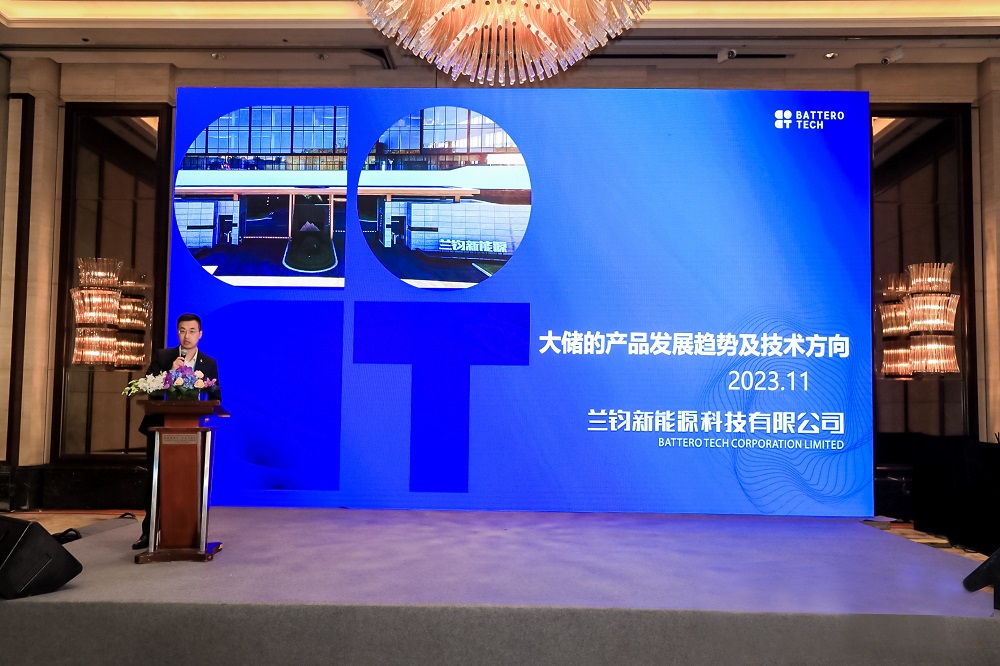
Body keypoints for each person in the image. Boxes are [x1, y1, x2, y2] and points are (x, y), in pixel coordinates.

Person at [133, 313, 222, 550]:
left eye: (192, 331)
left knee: (189, 482)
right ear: (177, 333)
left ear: (200, 334)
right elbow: (148, 386)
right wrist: (169, 374)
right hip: (160, 427)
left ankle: (192, 533)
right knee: (155, 480)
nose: (187, 336)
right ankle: (149, 532)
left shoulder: (208, 363)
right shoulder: (164, 357)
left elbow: (216, 396)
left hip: (194, 431)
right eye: (182, 331)